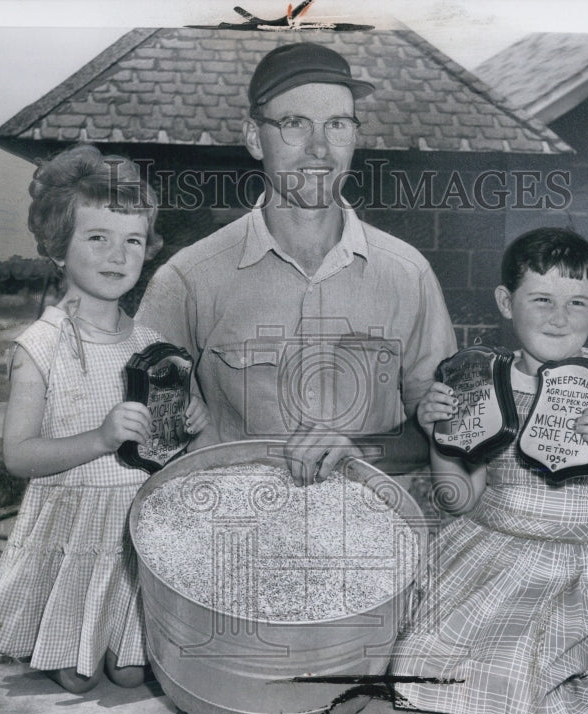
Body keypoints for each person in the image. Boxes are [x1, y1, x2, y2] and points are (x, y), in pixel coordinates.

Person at [136, 42, 457, 485]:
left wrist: (357, 451)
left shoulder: (409, 274)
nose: (320, 149)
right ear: (254, 137)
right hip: (232, 535)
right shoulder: (187, 279)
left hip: (365, 539)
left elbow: (445, 432)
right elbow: (144, 436)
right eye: (294, 125)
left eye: (337, 125)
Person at [391, 227, 588, 714]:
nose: (560, 319)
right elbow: (460, 502)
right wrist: (437, 434)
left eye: (577, 302)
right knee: (416, 660)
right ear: (506, 302)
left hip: (573, 566)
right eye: (541, 299)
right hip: (488, 550)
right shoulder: (477, 380)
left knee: (513, 668)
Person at [0, 145, 208, 693]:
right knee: (78, 678)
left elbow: (163, 446)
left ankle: (118, 640)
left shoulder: (152, 344)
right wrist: (100, 437)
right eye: (96, 237)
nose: (117, 255)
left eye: (132, 240)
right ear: (58, 247)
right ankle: (61, 640)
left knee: (129, 674)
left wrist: (189, 422)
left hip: (135, 523)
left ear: (148, 250)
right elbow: (19, 454)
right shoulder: (42, 345)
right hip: (73, 521)